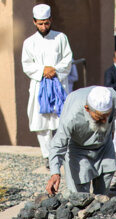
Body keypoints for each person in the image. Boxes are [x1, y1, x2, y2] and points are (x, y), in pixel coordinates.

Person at [22, 4, 73, 167]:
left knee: (60, 121)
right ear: (34, 22)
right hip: (39, 86)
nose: (44, 26)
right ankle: (47, 155)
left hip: (59, 84)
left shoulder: (61, 38)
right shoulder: (29, 42)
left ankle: (59, 154)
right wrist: (43, 70)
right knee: (41, 122)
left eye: (46, 23)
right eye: (40, 23)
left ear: (51, 20)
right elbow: (27, 65)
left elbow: (67, 59)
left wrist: (54, 69)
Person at [46, 86, 116, 195]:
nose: (104, 120)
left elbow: (113, 118)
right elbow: (58, 144)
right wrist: (55, 173)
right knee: (80, 196)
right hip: (78, 149)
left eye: (106, 115)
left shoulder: (113, 97)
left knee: (104, 191)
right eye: (99, 117)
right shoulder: (71, 117)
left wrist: (111, 130)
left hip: (104, 145)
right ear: (87, 109)